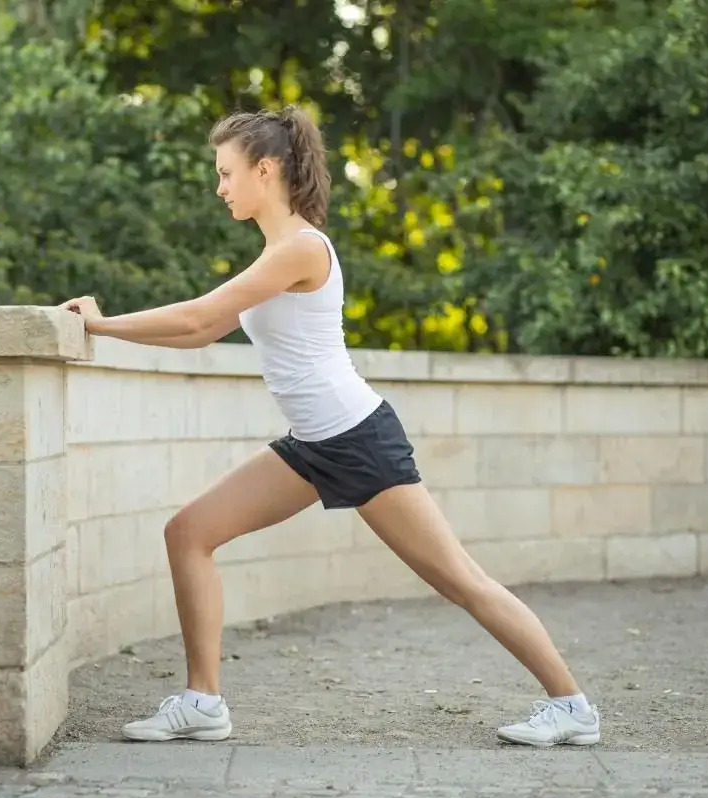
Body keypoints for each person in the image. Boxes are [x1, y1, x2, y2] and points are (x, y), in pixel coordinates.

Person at [57, 106, 601, 749]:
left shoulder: (300, 249)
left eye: (227, 173)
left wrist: (100, 323)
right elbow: (203, 330)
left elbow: (201, 323)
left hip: (357, 438)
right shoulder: (277, 251)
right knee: (189, 533)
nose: (220, 187)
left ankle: (572, 707)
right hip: (313, 444)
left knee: (459, 579)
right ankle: (203, 701)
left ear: (267, 169)